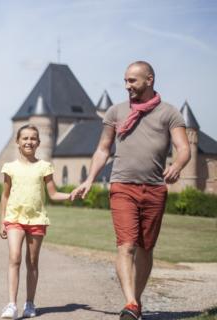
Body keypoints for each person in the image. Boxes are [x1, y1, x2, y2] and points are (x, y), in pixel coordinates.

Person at [72, 61, 190, 320]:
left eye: (132, 81)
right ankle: (131, 303)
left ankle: (134, 301)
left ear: (149, 80)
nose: (127, 86)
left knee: (146, 248)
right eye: (125, 81)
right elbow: (103, 149)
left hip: (155, 189)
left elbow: (183, 148)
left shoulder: (169, 113)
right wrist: (90, 178)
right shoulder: (115, 112)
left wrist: (178, 165)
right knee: (126, 246)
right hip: (122, 186)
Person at [0, 124, 74, 319]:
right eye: (25, 138)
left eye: (33, 138)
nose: (29, 142)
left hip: (36, 219)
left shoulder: (44, 167)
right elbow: (5, 196)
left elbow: (53, 193)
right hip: (14, 218)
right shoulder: (10, 168)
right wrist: (2, 221)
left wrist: (70, 196)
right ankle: (11, 305)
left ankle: (30, 303)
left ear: (39, 143)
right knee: (14, 257)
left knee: (32, 262)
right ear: (17, 142)